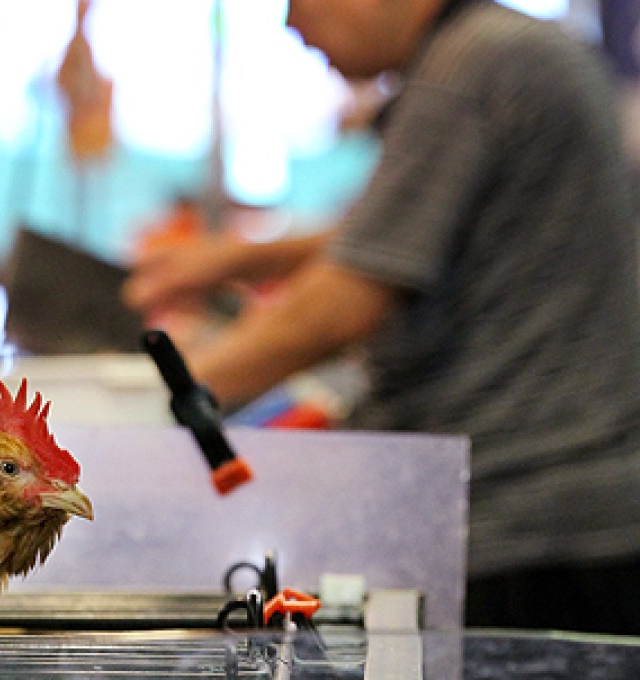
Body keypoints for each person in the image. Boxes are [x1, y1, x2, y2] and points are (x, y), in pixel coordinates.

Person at [123, 0, 640, 635]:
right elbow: (402, 229)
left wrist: (138, 407)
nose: (292, 25)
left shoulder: (471, 64)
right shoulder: (511, 48)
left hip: (523, 521)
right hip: (562, 510)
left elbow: (337, 308)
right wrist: (236, 258)